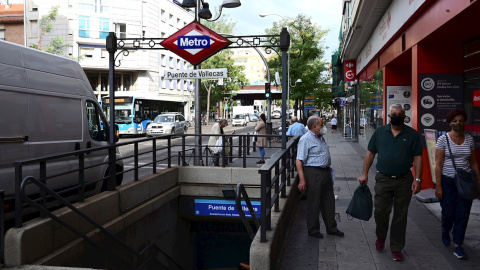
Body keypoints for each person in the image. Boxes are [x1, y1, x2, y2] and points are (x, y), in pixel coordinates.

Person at [358, 104, 422, 262]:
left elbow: (418, 157)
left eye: (400, 114)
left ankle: (396, 247)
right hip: (383, 179)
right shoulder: (380, 132)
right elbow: (370, 153)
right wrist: (364, 173)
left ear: (404, 116)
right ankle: (381, 236)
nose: (397, 116)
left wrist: (418, 179)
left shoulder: (412, 134)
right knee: (380, 211)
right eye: (394, 114)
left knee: (400, 215)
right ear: (388, 116)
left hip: (404, 180)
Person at [434, 109, 480, 259]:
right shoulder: (443, 139)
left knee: (463, 214)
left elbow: (473, 161)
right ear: (449, 123)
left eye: (460, 120)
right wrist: (438, 186)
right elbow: (438, 164)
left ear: (464, 122)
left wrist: (478, 180)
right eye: (454, 121)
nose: (458, 123)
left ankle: (458, 245)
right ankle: (445, 229)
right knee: (448, 212)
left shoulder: (469, 139)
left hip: (465, 181)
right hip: (447, 181)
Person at [296, 116, 344, 238]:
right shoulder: (305, 139)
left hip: (325, 172)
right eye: (321, 124)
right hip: (313, 172)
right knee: (314, 201)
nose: (323, 127)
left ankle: (331, 227)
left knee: (329, 200)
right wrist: (302, 180)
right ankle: (313, 229)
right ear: (314, 126)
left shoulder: (320, 138)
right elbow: (299, 160)